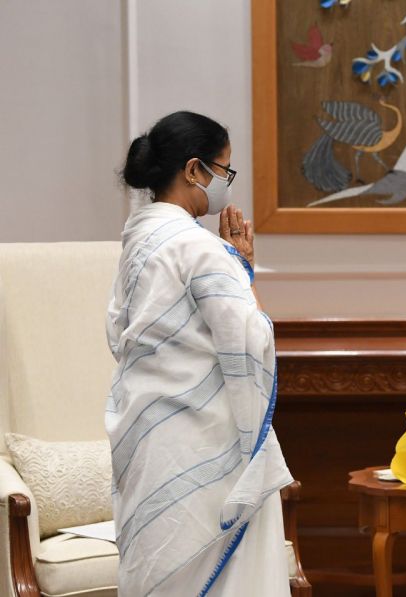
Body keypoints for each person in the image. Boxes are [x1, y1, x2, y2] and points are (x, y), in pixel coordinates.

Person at [106, 111, 293, 596]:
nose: (227, 184)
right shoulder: (199, 247)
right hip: (204, 445)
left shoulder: (138, 239)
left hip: (147, 434)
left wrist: (237, 269)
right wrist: (241, 269)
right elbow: (250, 340)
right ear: (194, 170)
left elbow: (117, 331)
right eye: (224, 171)